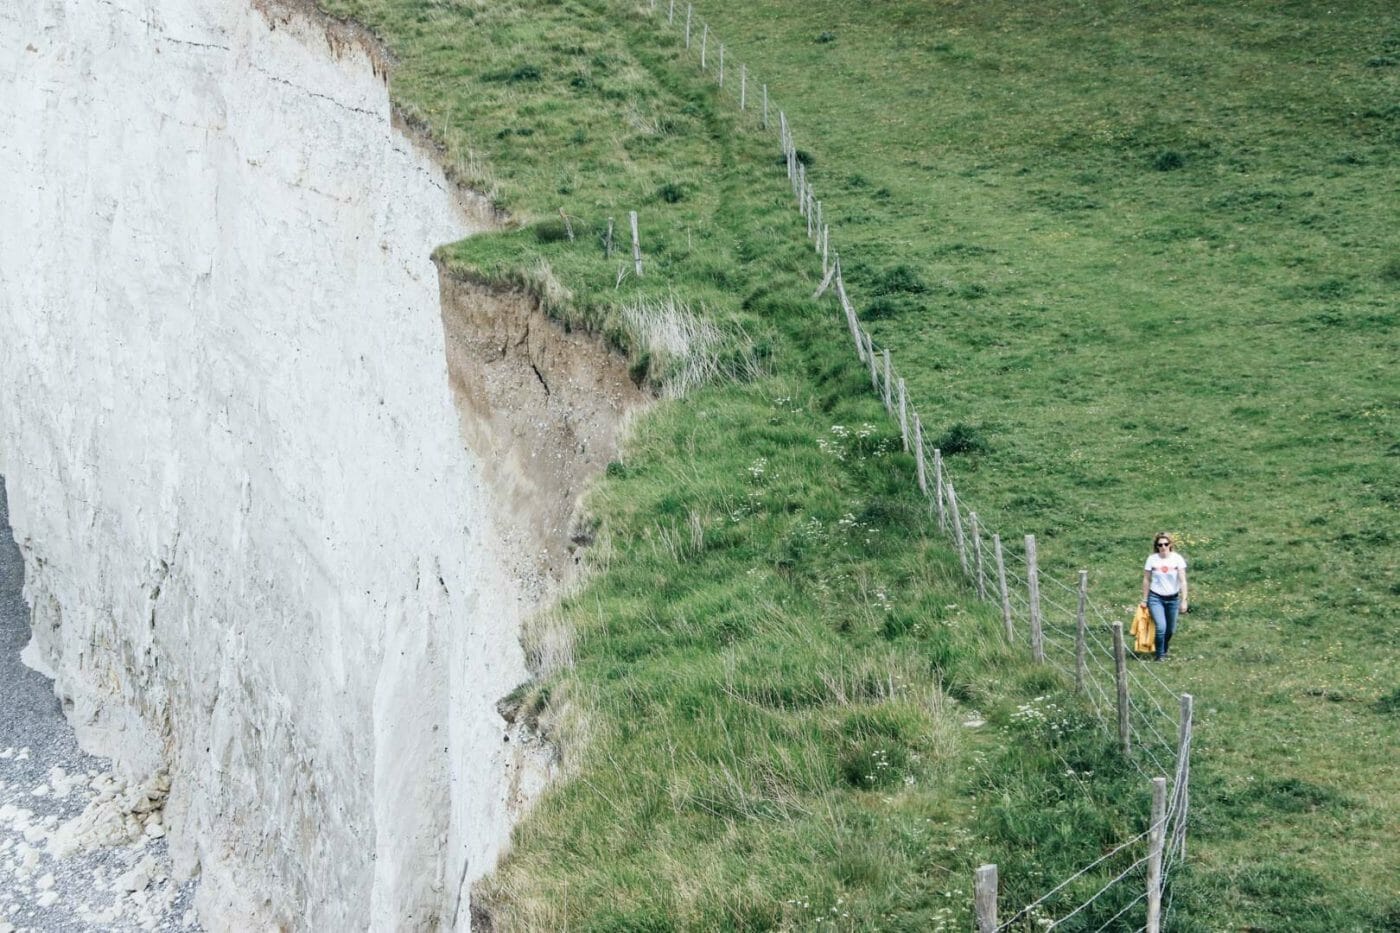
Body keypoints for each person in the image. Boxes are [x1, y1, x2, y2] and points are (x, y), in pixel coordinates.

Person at [1141, 533, 1188, 661]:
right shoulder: (1152, 559)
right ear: (1156, 546)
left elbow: (1183, 581)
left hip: (1173, 598)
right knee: (1161, 627)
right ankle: (1160, 655)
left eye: (1166, 544)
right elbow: (1146, 579)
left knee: (1170, 629)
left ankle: (1164, 648)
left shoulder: (1177, 559)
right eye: (1160, 545)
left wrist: (1184, 600)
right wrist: (1144, 599)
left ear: (1170, 545)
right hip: (1156, 597)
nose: (1163, 547)